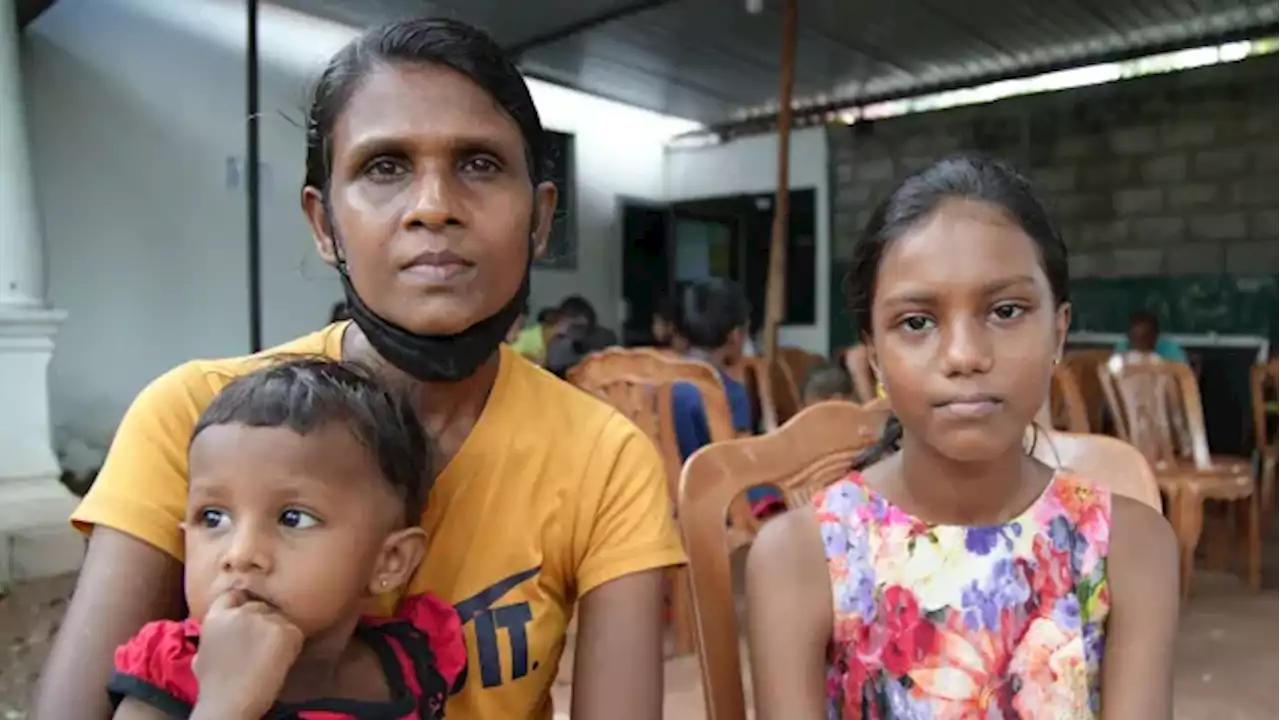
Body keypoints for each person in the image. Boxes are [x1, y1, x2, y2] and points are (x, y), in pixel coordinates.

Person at [38, 18, 684, 720]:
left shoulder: (603, 459)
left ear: (539, 218)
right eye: (385, 167)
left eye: (479, 164)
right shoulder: (196, 418)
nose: (434, 207)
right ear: (324, 225)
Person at [745, 155, 1178, 718]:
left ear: (1059, 332)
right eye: (917, 322)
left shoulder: (1131, 548)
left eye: (1005, 310)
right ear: (874, 355)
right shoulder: (802, 557)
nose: (965, 355)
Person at [109, 358, 466, 719]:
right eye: (213, 517)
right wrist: (224, 706)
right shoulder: (171, 675)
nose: (241, 553)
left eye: (293, 518)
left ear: (389, 560)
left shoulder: (406, 666)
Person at [544, 295, 619, 377]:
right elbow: (554, 365)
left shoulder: (604, 338)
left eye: (580, 327)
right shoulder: (558, 340)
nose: (578, 333)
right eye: (574, 327)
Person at [1113, 310, 1188, 363]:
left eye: (1143, 338)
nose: (1137, 345)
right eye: (1133, 338)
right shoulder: (1122, 348)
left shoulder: (1171, 350)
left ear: (1155, 337)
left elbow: (1183, 378)